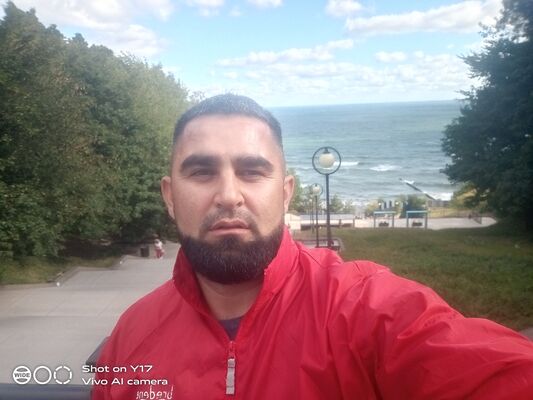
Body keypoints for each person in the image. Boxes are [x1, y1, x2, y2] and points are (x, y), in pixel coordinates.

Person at [92, 94, 533, 399]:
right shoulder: (132, 336)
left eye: (252, 171)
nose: (228, 195)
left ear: (285, 193)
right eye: (202, 172)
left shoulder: (364, 308)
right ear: (170, 196)